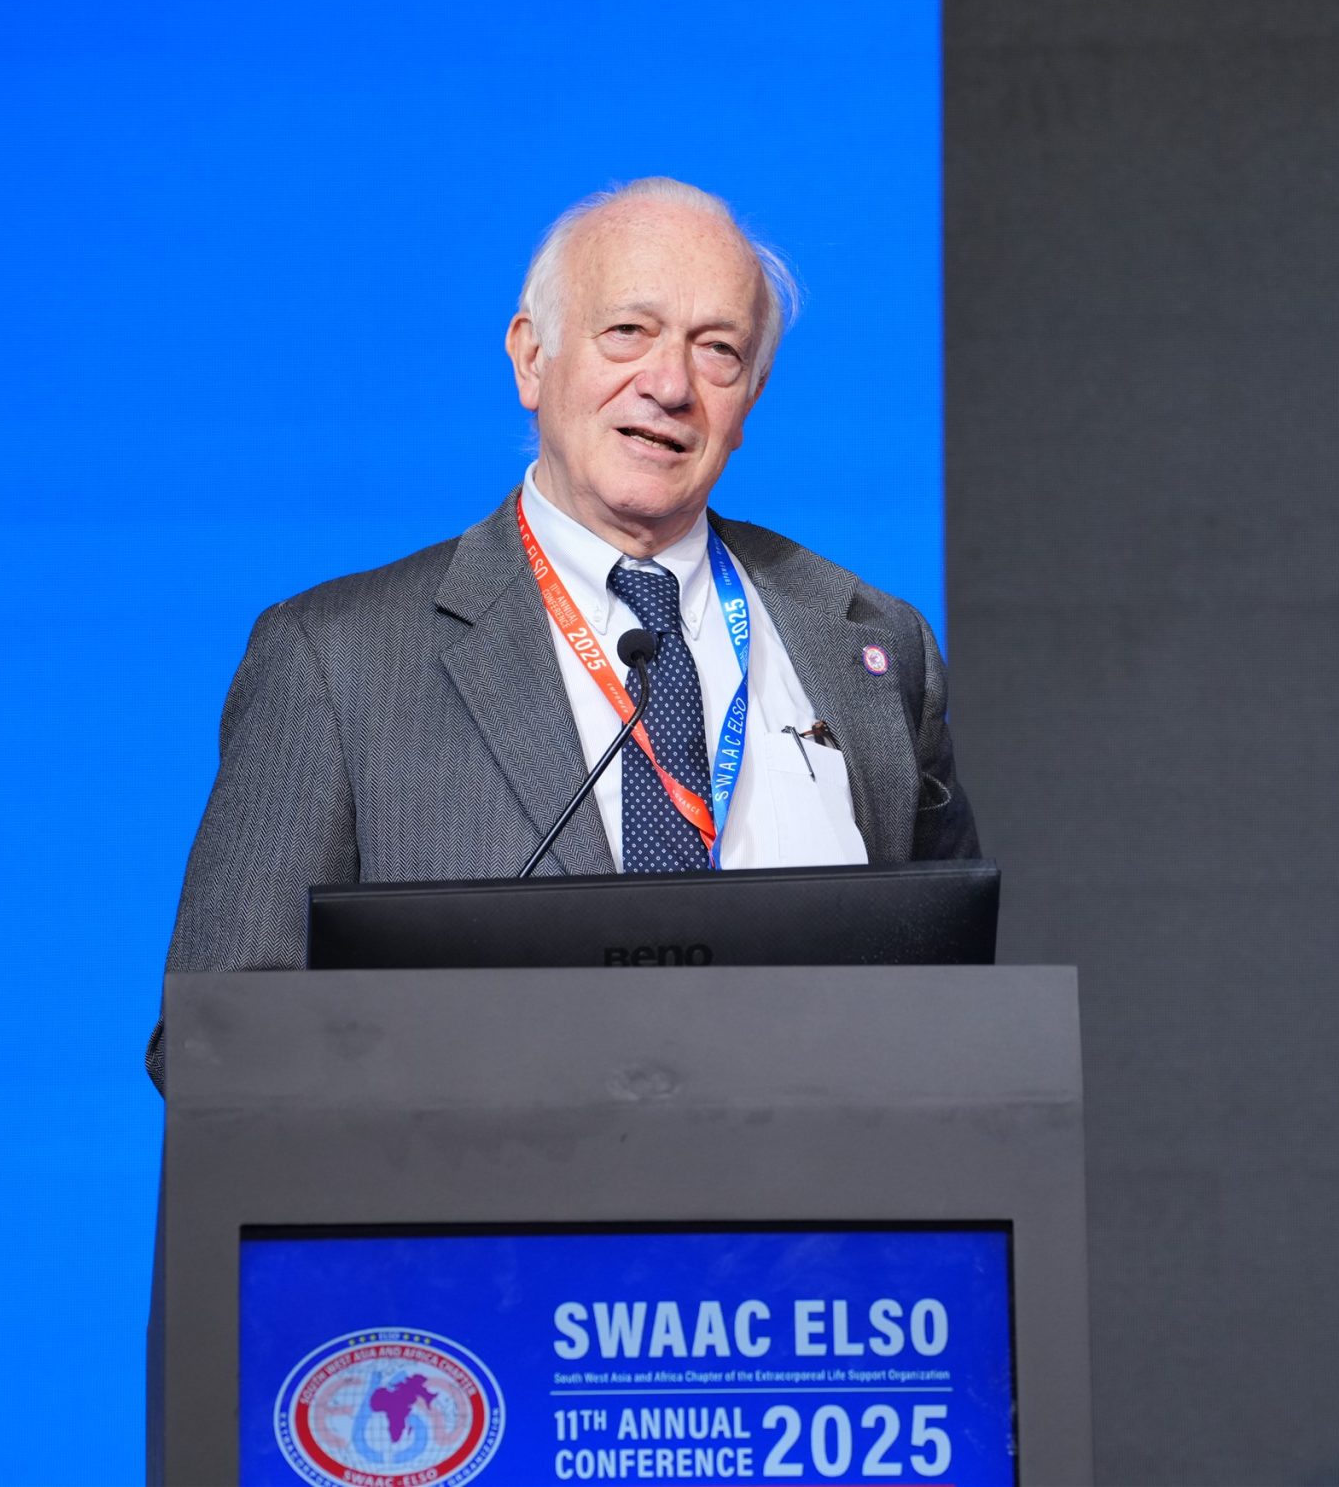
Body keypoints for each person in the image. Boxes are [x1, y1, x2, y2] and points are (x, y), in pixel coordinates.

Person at [145, 177, 977, 1087]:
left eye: (718, 350)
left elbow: (959, 1014)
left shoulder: (872, 646)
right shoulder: (334, 661)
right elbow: (222, 1044)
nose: (669, 385)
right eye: (628, 331)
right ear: (531, 359)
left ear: (752, 397)